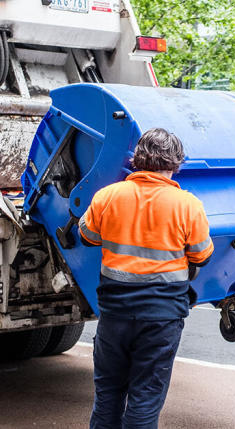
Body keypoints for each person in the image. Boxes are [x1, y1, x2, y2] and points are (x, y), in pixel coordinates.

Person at [79, 128, 213, 429]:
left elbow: (86, 235)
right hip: (161, 318)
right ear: (176, 162)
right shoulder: (188, 205)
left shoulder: (108, 196)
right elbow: (202, 256)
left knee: (108, 394)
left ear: (136, 159)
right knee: (146, 396)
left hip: (115, 314)